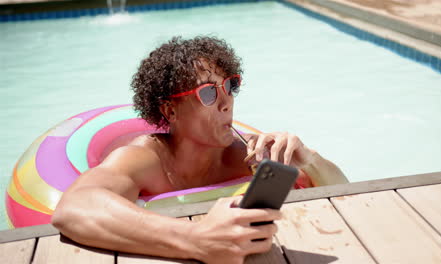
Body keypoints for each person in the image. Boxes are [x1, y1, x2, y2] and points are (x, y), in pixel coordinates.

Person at [52, 36, 347, 264]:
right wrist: (197, 239)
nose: (226, 102)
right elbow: (73, 209)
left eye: (230, 86)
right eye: (208, 92)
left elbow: (346, 194)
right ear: (170, 110)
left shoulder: (249, 154)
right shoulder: (146, 157)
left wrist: (310, 160)